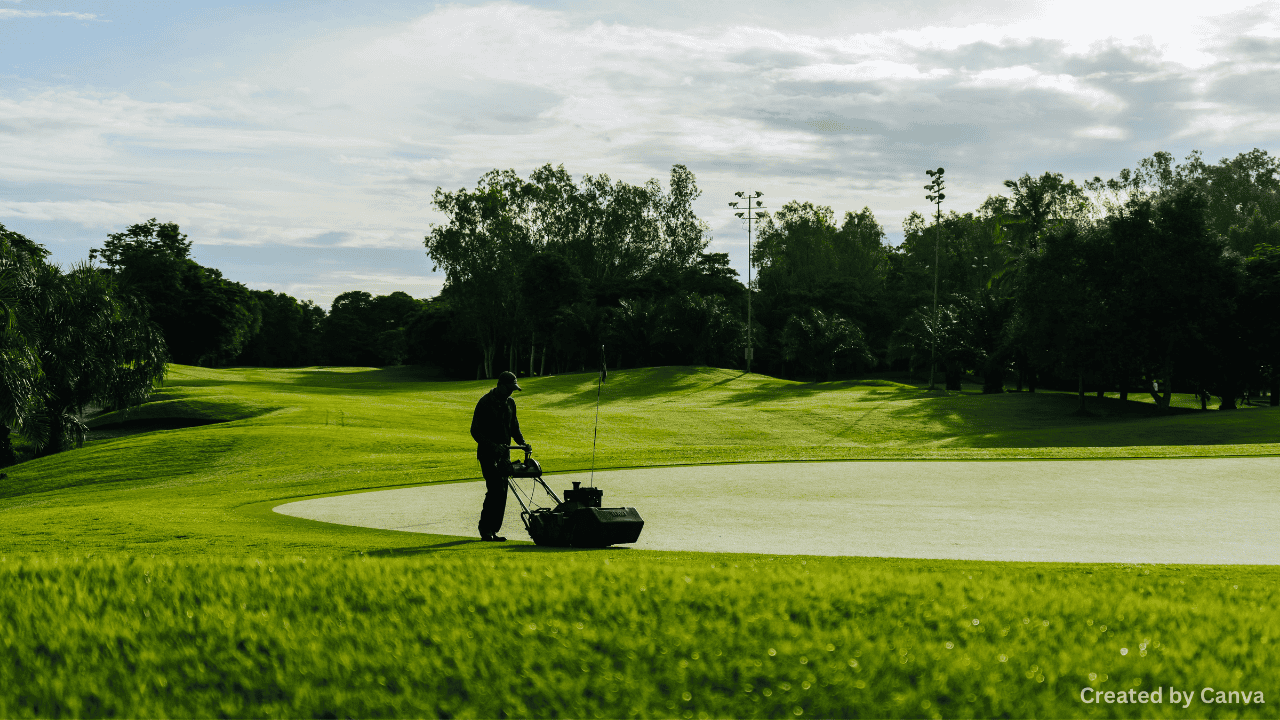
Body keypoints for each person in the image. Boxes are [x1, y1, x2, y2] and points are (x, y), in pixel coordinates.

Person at [469, 370, 529, 541]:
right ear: (500, 385)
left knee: (502, 492)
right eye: (509, 388)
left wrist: (522, 443)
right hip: (488, 455)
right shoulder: (485, 403)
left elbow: (514, 427)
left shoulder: (511, 403)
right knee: (494, 490)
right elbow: (475, 431)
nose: (511, 392)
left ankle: (494, 529)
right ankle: (485, 529)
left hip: (505, 456)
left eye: (513, 389)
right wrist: (494, 447)